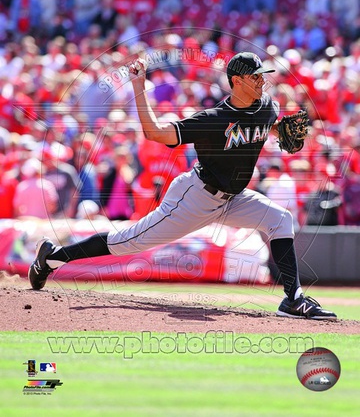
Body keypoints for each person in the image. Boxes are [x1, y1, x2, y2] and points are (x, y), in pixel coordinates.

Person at [28, 52, 336, 320]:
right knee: (127, 241)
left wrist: (279, 128)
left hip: (234, 198)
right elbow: (154, 133)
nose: (262, 82)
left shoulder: (266, 107)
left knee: (279, 219)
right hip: (195, 197)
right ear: (237, 81)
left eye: (262, 76)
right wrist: (139, 87)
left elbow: (263, 125)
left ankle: (293, 299)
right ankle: (53, 256)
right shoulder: (212, 119)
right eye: (255, 77)